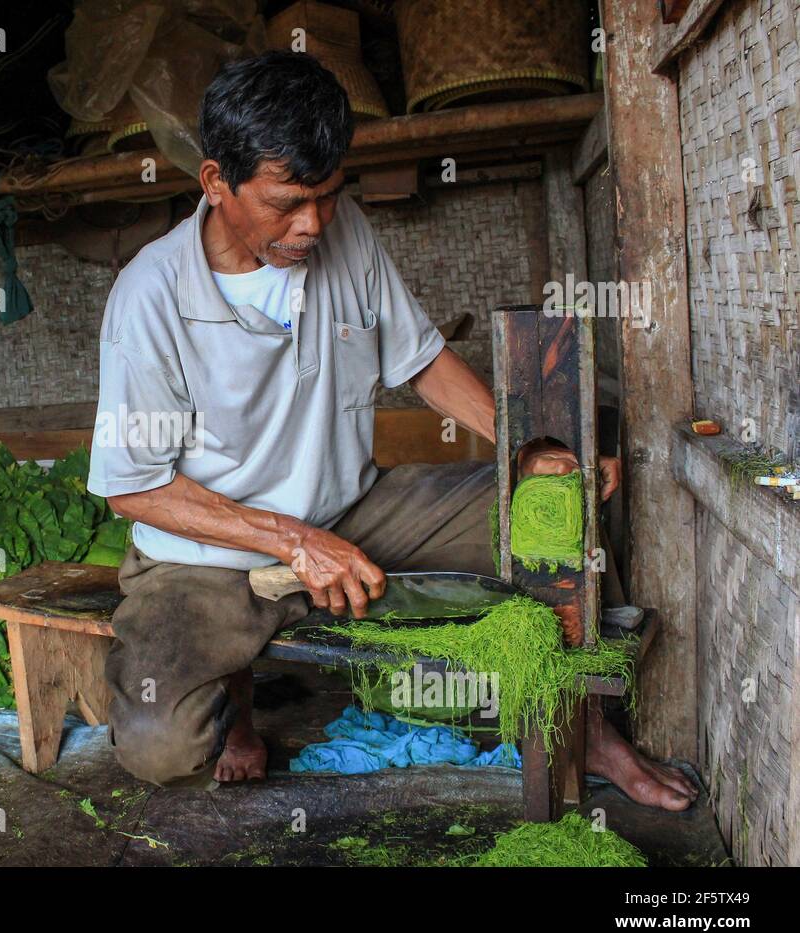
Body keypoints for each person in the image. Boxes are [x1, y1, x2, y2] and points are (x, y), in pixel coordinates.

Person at [86, 50, 697, 811]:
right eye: (287, 203)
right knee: (159, 748)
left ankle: (591, 728)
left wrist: (525, 454)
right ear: (216, 183)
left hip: (354, 511)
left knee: (562, 506)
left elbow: (424, 362)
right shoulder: (149, 296)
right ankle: (235, 710)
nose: (312, 224)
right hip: (206, 555)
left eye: (328, 196)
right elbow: (135, 487)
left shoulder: (346, 238)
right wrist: (293, 541)